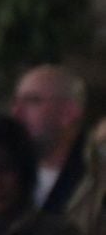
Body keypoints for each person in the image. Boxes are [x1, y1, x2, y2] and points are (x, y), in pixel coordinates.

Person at [10, 64, 88, 213]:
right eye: (16, 101)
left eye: (32, 101)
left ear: (68, 112)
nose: (16, 112)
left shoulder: (95, 180)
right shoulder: (9, 172)